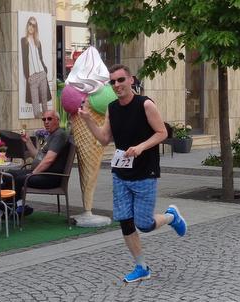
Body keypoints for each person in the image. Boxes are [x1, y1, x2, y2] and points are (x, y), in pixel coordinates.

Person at [78, 64, 187, 283]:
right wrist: (88, 119)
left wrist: (140, 147)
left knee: (144, 224)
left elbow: (162, 132)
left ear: (131, 80)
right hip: (120, 172)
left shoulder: (145, 104)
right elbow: (104, 139)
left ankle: (171, 216)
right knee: (126, 222)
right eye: (113, 82)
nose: (117, 85)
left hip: (145, 171)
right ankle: (142, 267)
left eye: (120, 80)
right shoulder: (112, 108)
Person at [4, 110, 69, 207]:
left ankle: (15, 206)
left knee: (18, 179)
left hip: (50, 177)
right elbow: (38, 157)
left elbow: (48, 160)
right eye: (44, 119)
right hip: (42, 173)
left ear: (57, 120)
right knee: (9, 174)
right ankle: (8, 205)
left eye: (49, 119)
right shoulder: (51, 135)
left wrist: (32, 174)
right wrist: (28, 141)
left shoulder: (59, 135)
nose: (46, 121)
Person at [21, 16, 52, 118]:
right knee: (36, 108)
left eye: (33, 25)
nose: (31, 27)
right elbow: (24, 60)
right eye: (30, 24)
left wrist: (45, 70)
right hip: (32, 77)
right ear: (27, 25)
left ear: (35, 28)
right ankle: (38, 130)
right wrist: (27, 76)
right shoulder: (23, 41)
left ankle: (46, 129)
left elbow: (41, 58)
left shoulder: (38, 42)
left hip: (42, 74)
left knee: (44, 104)